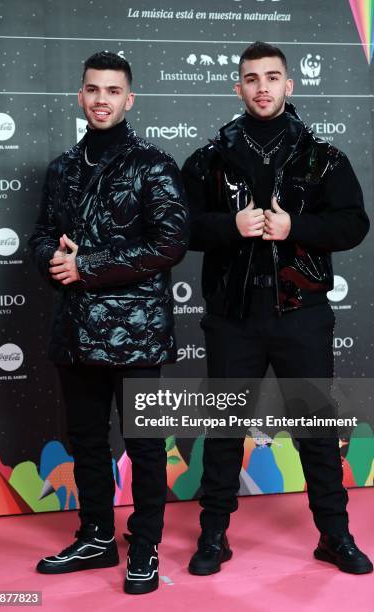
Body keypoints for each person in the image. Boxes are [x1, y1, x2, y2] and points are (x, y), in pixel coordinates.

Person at [182, 41, 372, 576]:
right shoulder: (210, 158)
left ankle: (334, 536)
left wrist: (297, 229)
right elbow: (178, 229)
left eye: (272, 77)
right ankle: (214, 536)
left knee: (315, 426)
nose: (262, 86)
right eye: (251, 78)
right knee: (223, 429)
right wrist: (229, 226)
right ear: (237, 87)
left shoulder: (324, 157)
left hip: (303, 311)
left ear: (290, 85)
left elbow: (353, 223)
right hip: (232, 316)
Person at [29, 51, 188, 594]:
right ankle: (96, 535)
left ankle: (143, 546)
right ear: (80, 96)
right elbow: (43, 234)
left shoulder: (154, 165)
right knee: (87, 441)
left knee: (144, 444)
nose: (102, 99)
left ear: (129, 98)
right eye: (93, 89)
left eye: (113, 90)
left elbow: (169, 244)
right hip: (74, 331)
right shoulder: (63, 169)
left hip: (137, 332)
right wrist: (54, 258)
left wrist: (86, 265)